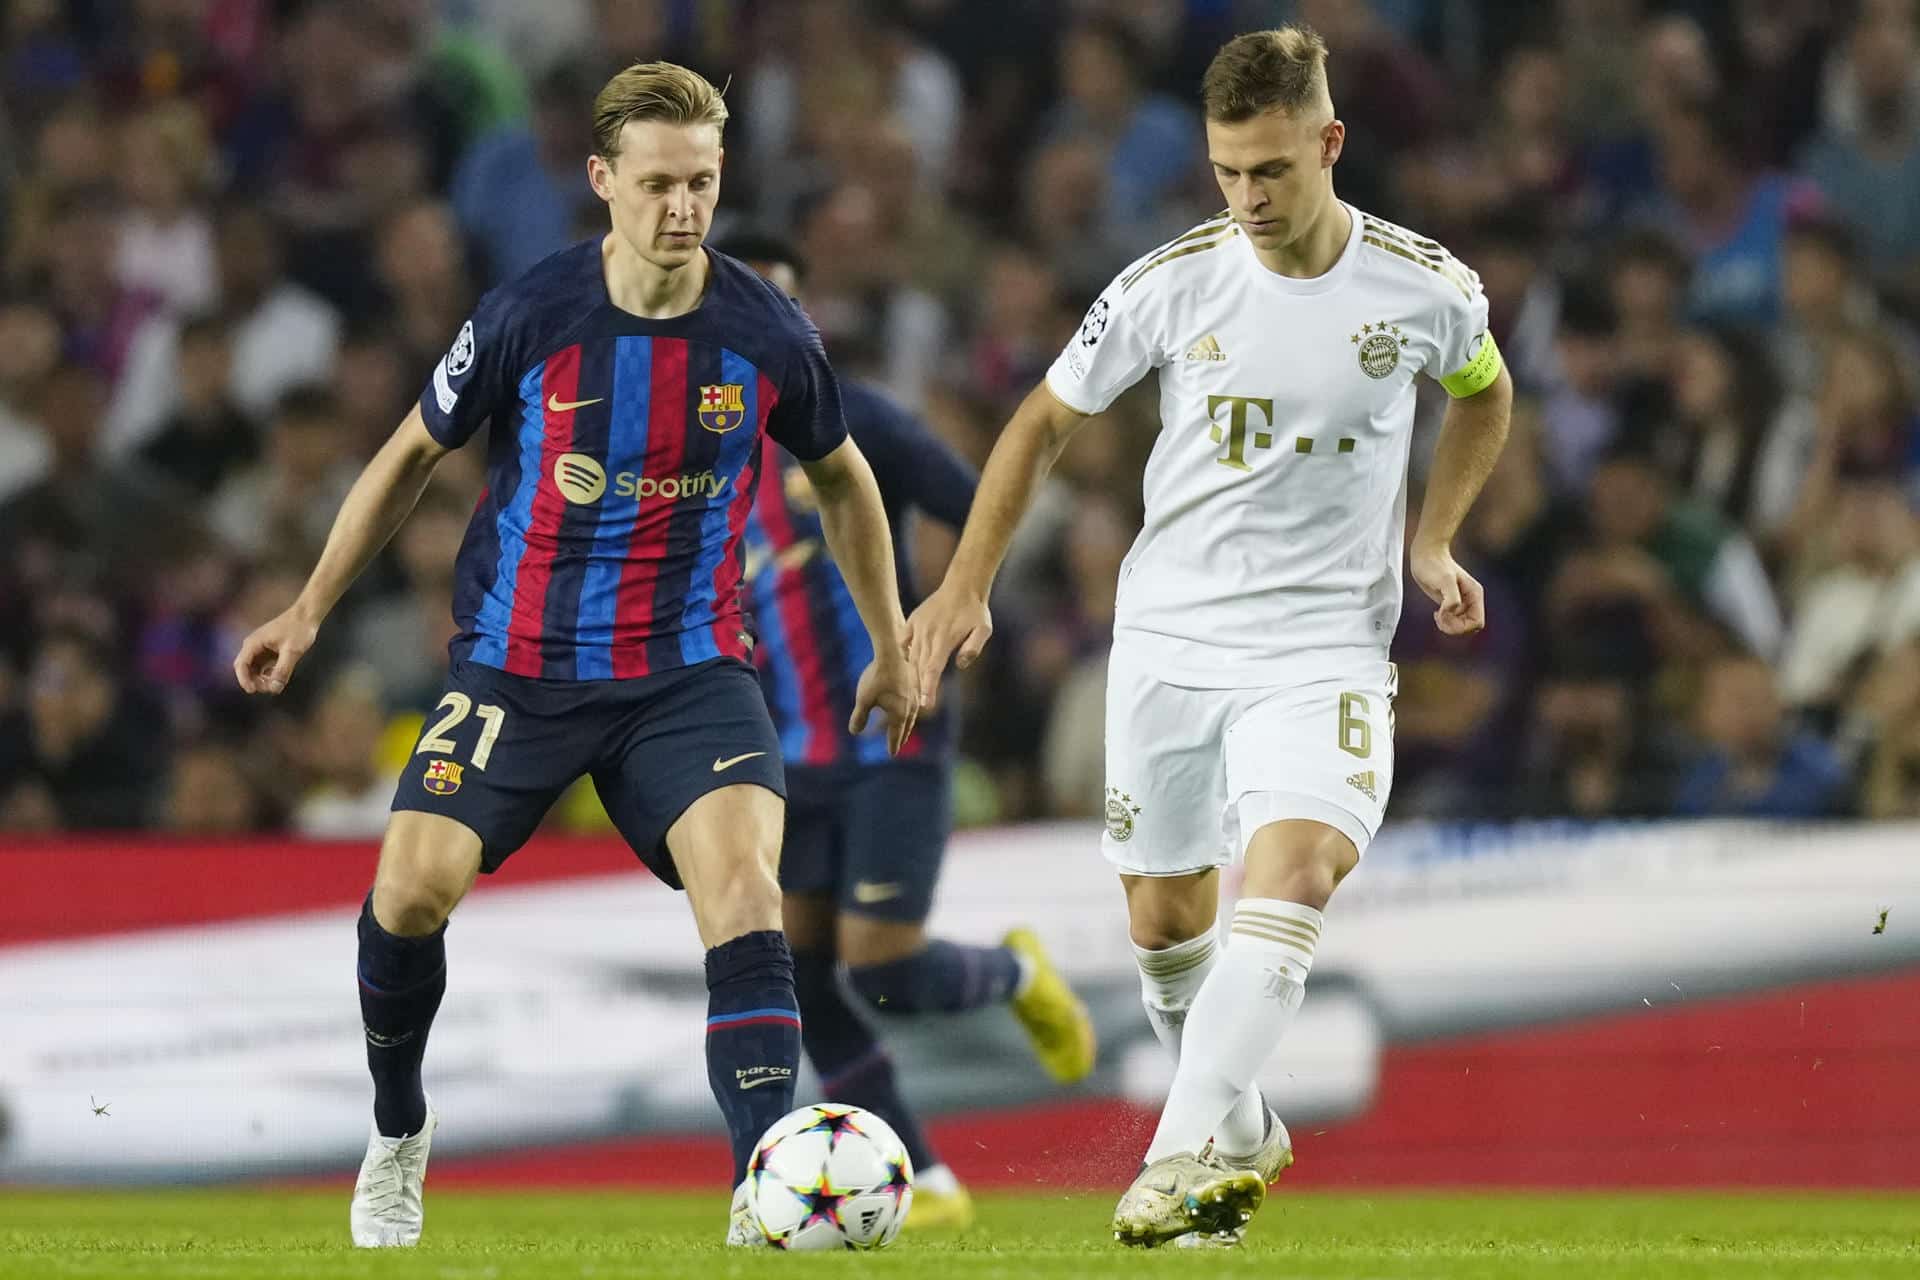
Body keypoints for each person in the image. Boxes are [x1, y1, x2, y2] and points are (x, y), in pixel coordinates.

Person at [230, 63, 920, 1250]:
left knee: (747, 889)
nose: (683, 209)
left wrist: (892, 639)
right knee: (406, 892)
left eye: (702, 182)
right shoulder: (529, 313)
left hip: (690, 672)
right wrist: (307, 607)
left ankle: (764, 1176)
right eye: (658, 184)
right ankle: (399, 1129)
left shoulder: (764, 330)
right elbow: (407, 454)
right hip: (517, 665)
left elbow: (845, 479)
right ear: (603, 181)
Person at [908, 27, 1513, 1247]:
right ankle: (1242, 1133)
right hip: (1172, 637)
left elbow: (1486, 392)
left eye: (1272, 171)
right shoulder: (1168, 281)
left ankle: (1176, 1149)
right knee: (1165, 923)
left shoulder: (1423, 286)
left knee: (1290, 877)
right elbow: (1041, 424)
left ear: (1328, 144)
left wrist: (1432, 539)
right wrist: (969, 583)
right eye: (1228, 171)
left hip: (1325, 647)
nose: (1247, 199)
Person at [717, 231, 1097, 1233]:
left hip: (894, 731)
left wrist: (941, 608)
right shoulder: (697, 456)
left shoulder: (855, 422)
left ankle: (1016, 970)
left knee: (880, 961)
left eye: (785, 304)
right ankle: (924, 1177)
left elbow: (975, 500)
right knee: (797, 966)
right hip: (785, 754)